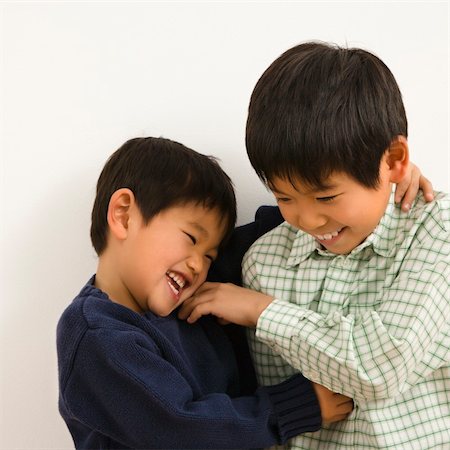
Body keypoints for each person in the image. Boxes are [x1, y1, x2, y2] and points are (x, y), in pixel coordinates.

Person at [179, 42, 449, 449]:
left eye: (325, 198)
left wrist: (260, 310)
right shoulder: (265, 263)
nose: (306, 219)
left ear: (394, 161)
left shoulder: (435, 230)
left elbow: (381, 369)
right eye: (284, 198)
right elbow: (286, 422)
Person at [56, 136, 357, 450]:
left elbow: (286, 223)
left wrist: (384, 184)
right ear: (123, 215)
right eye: (190, 237)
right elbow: (181, 429)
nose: (199, 264)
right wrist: (297, 406)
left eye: (211, 255)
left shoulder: (192, 287)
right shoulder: (96, 337)